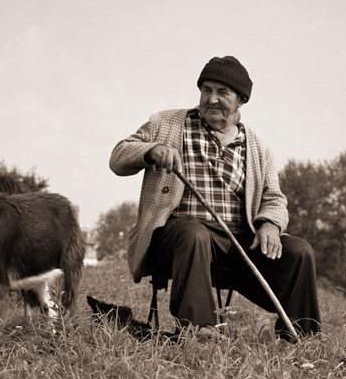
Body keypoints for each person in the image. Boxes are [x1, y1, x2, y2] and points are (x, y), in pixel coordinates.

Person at [110, 55, 320, 340]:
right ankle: (200, 332)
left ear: (241, 100)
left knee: (299, 251)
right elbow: (119, 156)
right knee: (193, 232)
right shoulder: (167, 122)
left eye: (223, 92)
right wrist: (152, 150)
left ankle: (302, 336)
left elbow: (275, 199)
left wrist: (270, 223)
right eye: (206, 89)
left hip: (239, 243)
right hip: (179, 237)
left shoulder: (258, 147)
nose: (212, 99)